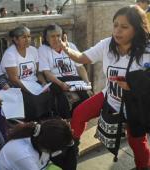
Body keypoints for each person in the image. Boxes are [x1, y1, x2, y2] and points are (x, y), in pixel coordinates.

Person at [62, 6, 150, 169]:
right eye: (115, 25)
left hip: (136, 106)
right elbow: (82, 58)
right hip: (109, 97)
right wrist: (66, 49)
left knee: (137, 141)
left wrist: (134, 84)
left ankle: (142, 166)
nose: (117, 31)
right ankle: (71, 150)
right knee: (79, 114)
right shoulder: (106, 45)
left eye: (124, 27)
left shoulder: (147, 50)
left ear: (137, 29)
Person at [38, 24, 91, 119]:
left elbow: (80, 67)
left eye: (58, 35)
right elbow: (47, 73)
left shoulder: (71, 46)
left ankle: (82, 121)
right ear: (46, 38)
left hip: (75, 79)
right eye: (52, 36)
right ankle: (66, 122)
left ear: (63, 36)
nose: (56, 39)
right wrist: (61, 84)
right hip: (57, 80)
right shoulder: (43, 50)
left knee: (87, 98)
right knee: (62, 100)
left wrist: (87, 82)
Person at [1, 26, 52, 121]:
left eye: (29, 36)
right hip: (18, 85)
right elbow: (13, 79)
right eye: (24, 37)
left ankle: (47, 123)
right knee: (32, 100)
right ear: (15, 40)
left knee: (49, 93)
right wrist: (30, 91)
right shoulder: (10, 54)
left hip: (34, 84)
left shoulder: (33, 50)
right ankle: (33, 125)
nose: (28, 39)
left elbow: (38, 73)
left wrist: (44, 83)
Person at [0, 119, 77, 170]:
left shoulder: (40, 134)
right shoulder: (25, 156)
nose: (60, 151)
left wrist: (71, 143)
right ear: (49, 149)